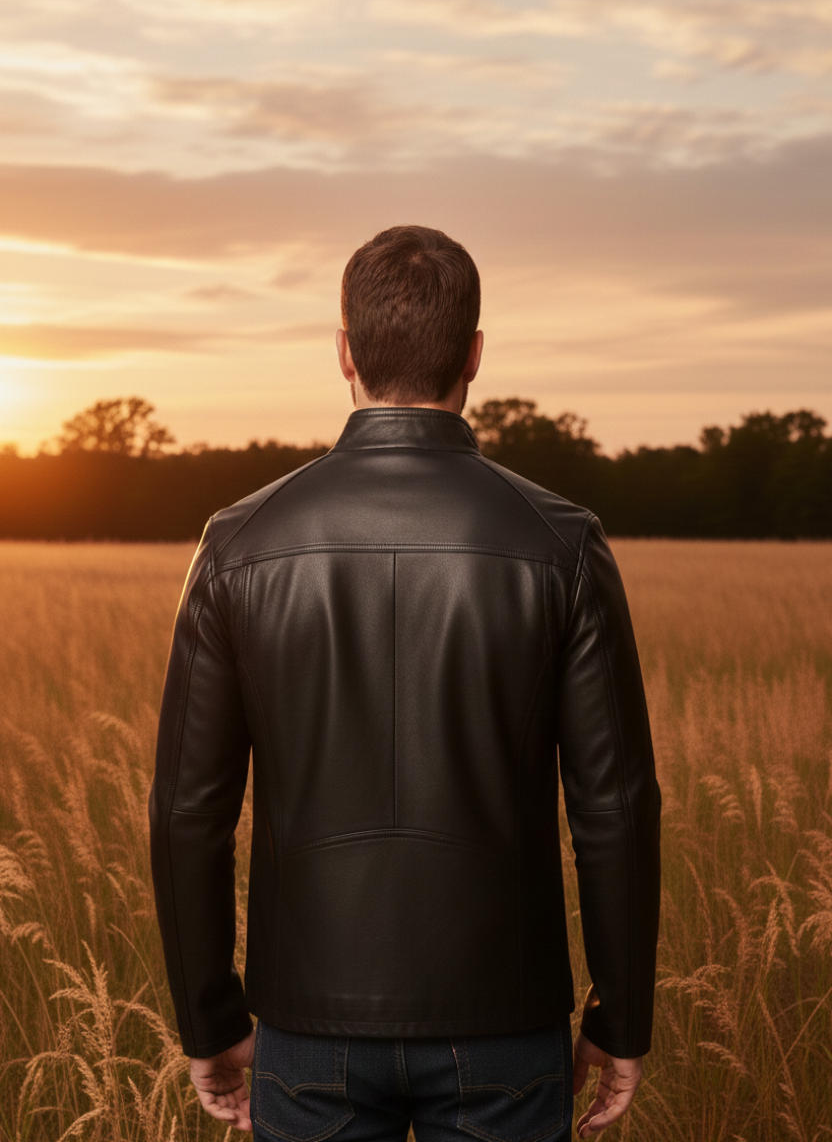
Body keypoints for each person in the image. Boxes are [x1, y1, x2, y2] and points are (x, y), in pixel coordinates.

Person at [148, 225, 662, 1142]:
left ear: (343, 352)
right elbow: (614, 806)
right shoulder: (564, 542)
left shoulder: (235, 544)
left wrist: (209, 1018)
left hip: (307, 1030)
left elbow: (190, 810)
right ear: (473, 356)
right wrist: (620, 1017)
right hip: (507, 1027)